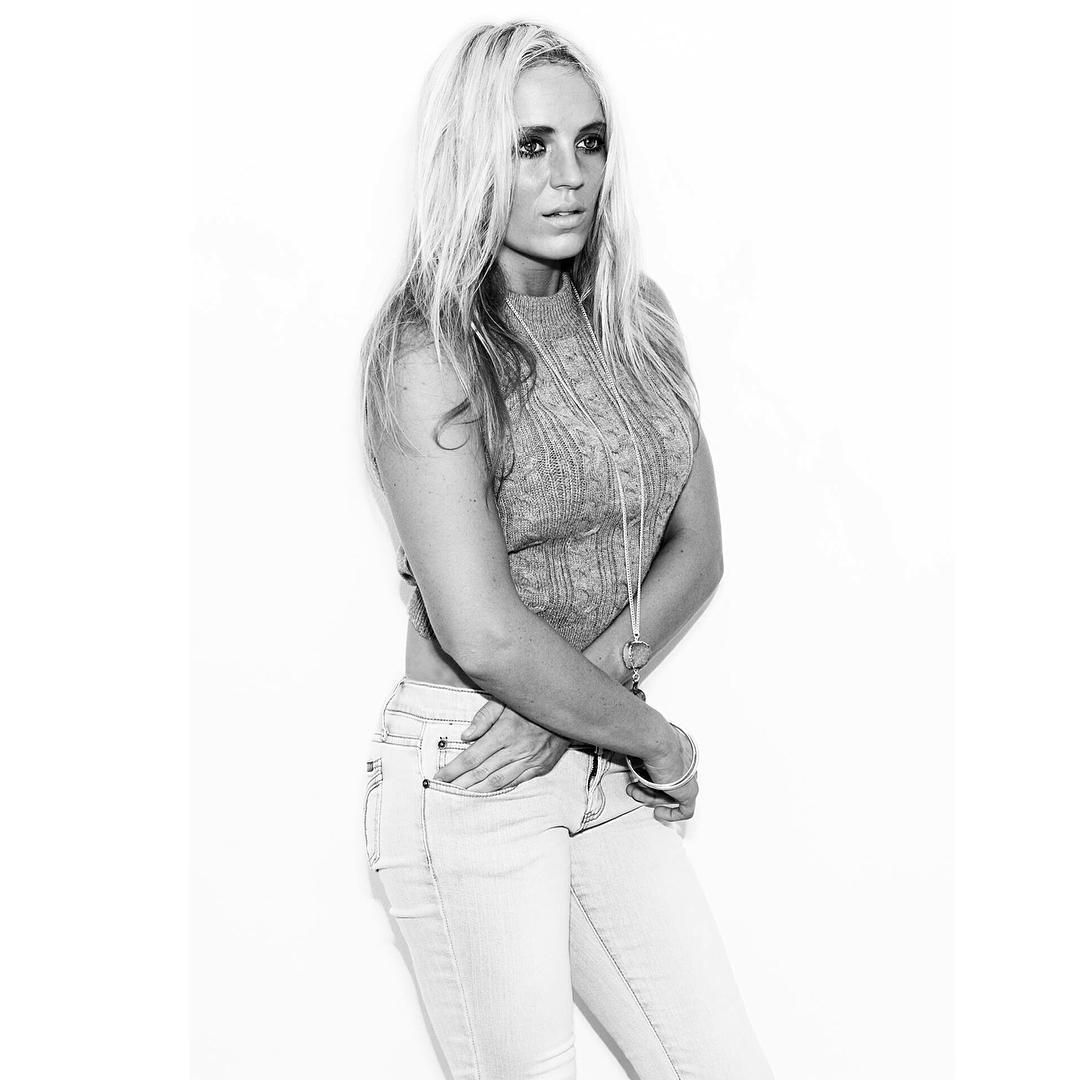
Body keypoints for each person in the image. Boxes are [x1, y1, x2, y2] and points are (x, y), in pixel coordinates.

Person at [358, 20, 774, 1080]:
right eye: (530, 146)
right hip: (474, 767)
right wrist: (657, 740)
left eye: (589, 143)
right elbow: (483, 634)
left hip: (590, 748)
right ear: (471, 156)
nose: (569, 177)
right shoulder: (427, 348)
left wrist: (581, 710)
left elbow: (697, 545)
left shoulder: (638, 317)